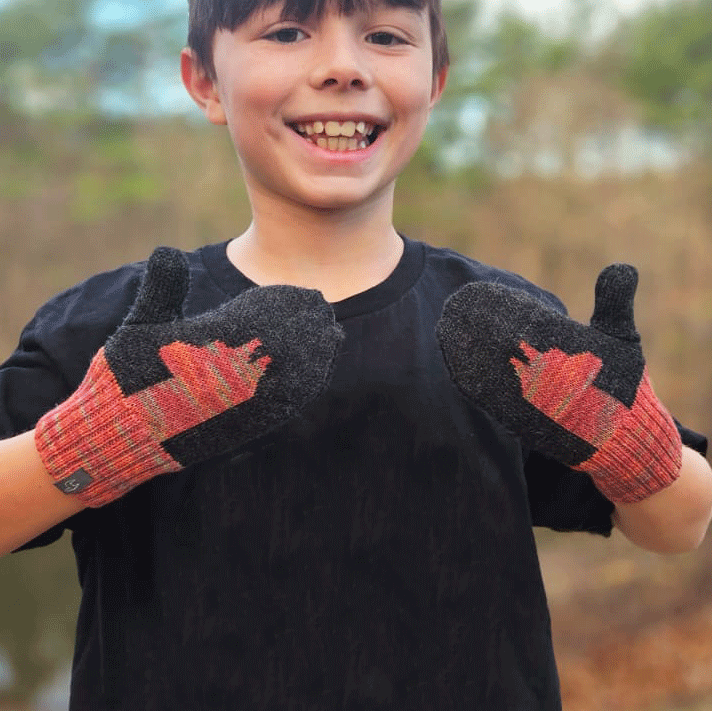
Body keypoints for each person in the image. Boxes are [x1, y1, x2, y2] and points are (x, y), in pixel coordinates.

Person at [1, 0, 711, 708]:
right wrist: (83, 447)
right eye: (286, 31)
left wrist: (632, 446)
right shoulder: (118, 330)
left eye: (385, 35)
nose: (343, 67)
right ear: (204, 82)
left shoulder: (505, 331)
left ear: (436, 80)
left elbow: (681, 524)